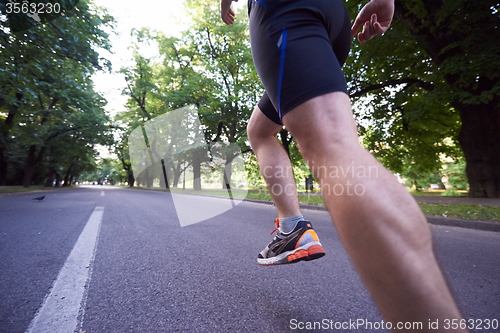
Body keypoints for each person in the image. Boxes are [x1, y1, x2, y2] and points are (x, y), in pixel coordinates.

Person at [221, 0, 467, 330]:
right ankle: (291, 226)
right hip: (333, 19)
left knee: (332, 147)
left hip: (285, 10)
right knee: (260, 130)